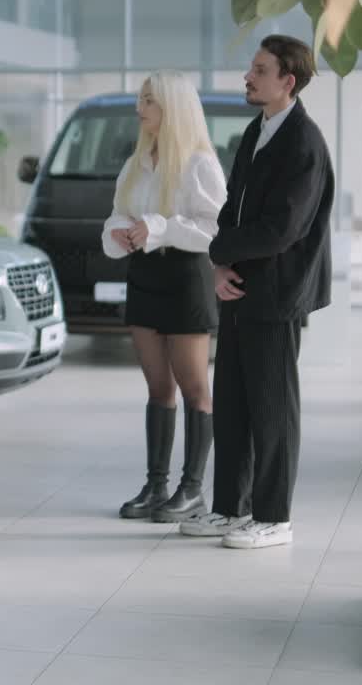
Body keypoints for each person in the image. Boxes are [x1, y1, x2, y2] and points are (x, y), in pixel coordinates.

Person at [180, 35, 333, 549]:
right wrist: (220, 263)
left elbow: (283, 227)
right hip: (240, 287)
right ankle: (230, 508)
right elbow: (230, 209)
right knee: (234, 404)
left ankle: (274, 517)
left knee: (272, 408)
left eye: (260, 69)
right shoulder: (256, 131)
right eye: (252, 67)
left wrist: (224, 254)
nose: (248, 76)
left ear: (287, 82)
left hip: (276, 292)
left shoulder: (303, 143)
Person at [102, 71, 226, 523]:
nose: (141, 109)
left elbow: (214, 231)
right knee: (158, 388)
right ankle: (156, 486)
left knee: (195, 389)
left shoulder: (199, 164)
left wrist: (156, 227)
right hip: (145, 275)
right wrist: (118, 234)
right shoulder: (137, 163)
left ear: (172, 107)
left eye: (150, 100)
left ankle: (191, 489)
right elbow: (118, 212)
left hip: (186, 276)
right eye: (141, 99)